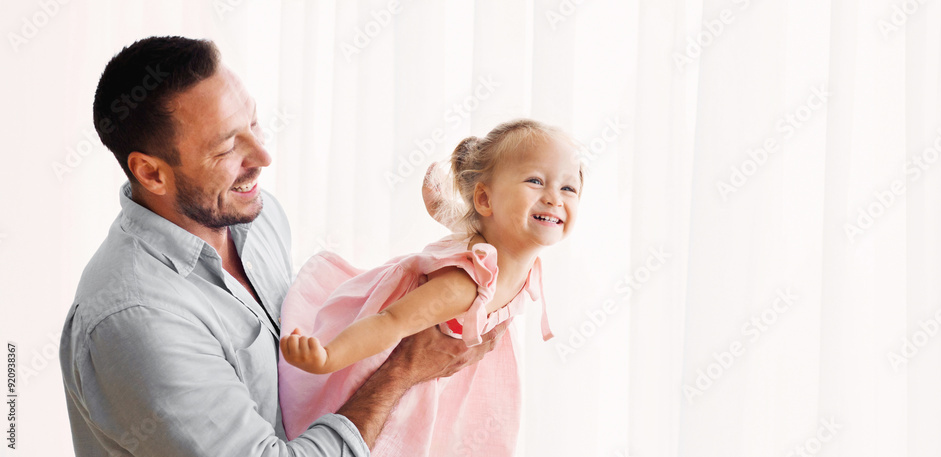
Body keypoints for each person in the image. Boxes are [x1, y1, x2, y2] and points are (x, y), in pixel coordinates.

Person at [58, 35, 508, 456]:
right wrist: (401, 372)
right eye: (227, 148)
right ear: (152, 174)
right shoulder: (137, 320)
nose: (262, 157)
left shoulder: (257, 217)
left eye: (252, 122)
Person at [278, 119, 583, 456]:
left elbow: (464, 222)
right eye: (536, 181)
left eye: (569, 188)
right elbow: (391, 322)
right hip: (382, 352)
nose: (555, 198)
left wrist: (438, 204)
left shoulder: (504, 242)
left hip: (449, 375)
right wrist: (326, 357)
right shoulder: (463, 286)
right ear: (484, 199)